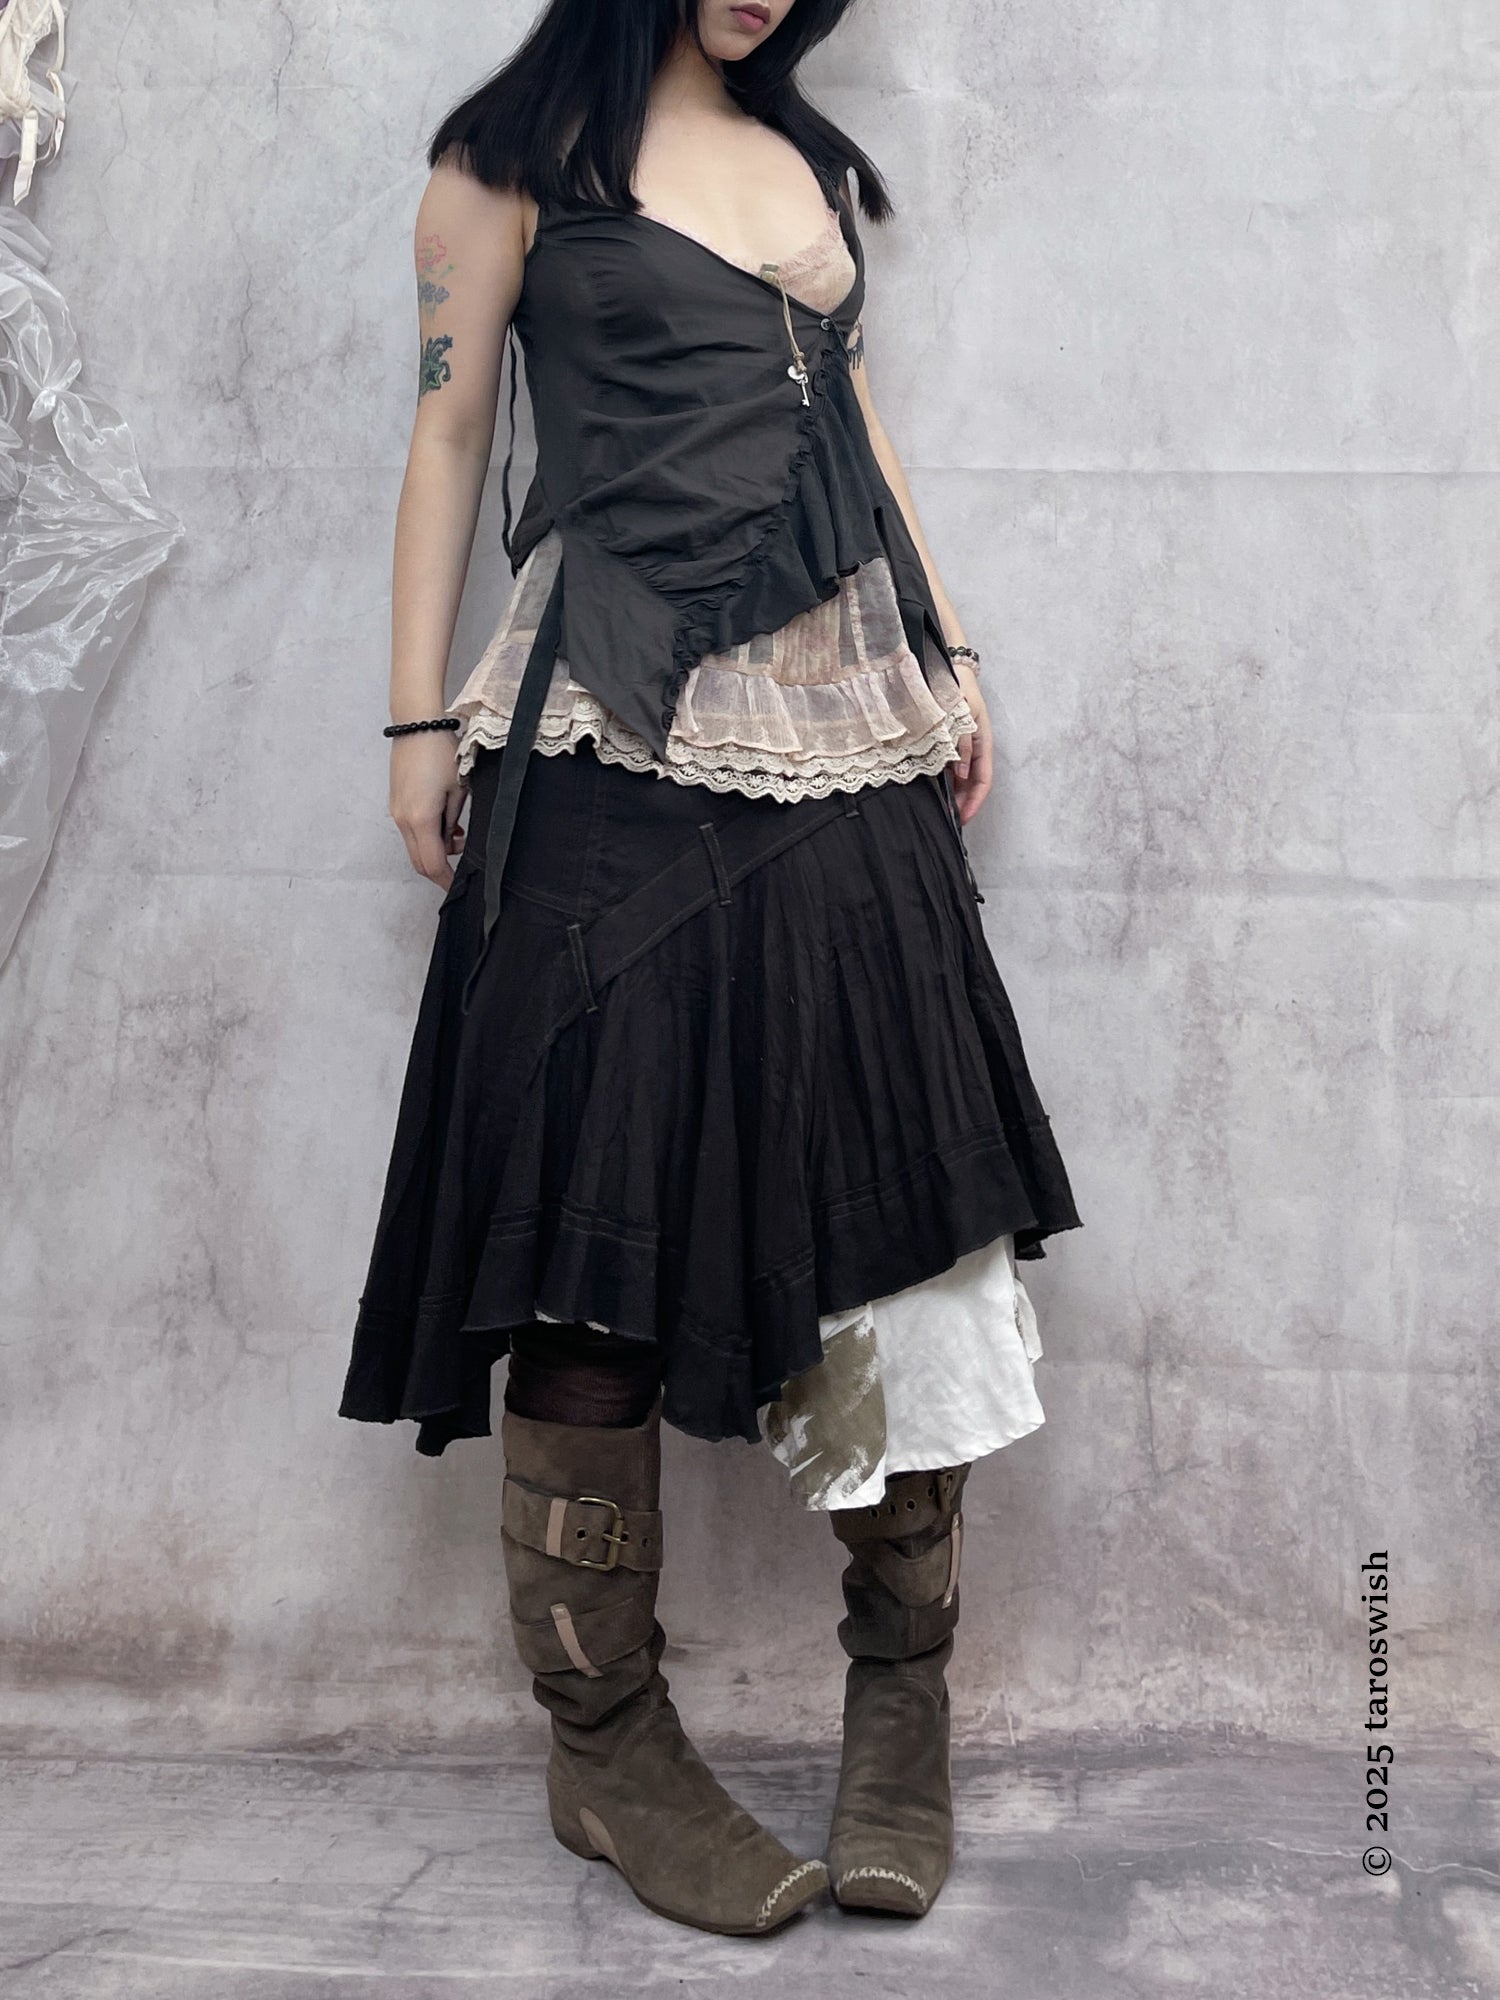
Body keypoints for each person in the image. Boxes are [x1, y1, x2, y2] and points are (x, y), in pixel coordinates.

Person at [339, 0, 1081, 1938]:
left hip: (846, 722)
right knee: (592, 1238)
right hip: (609, 729)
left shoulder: (798, 158)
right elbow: (446, 433)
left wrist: (952, 649)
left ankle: (901, 1701)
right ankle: (606, 1742)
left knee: (903, 1227)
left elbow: (858, 427)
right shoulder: (506, 165)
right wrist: (415, 726)